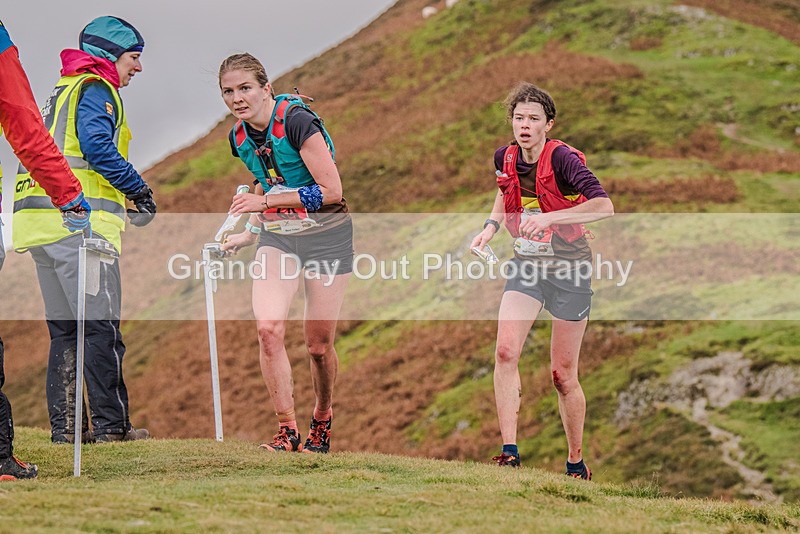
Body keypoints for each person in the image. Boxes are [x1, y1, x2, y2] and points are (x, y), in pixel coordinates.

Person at [12, 16, 156, 444]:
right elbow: (97, 147)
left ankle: (68, 431)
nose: (139, 68)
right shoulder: (97, 89)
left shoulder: (62, 91)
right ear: (112, 57)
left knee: (65, 331)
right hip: (81, 229)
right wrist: (139, 191)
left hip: (39, 227)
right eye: (135, 58)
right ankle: (113, 429)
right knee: (100, 327)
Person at [470, 82, 614, 479]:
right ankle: (510, 454)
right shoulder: (505, 157)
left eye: (534, 119)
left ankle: (575, 463)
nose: (525, 125)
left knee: (563, 376)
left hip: (570, 270)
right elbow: (504, 193)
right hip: (528, 266)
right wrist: (489, 229)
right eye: (518, 118)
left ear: (549, 124)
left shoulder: (565, 159)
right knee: (504, 351)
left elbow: (604, 206)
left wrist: (550, 218)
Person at [219, 53, 352, 454]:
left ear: (266, 88)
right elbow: (267, 182)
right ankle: (287, 429)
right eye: (228, 91)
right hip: (278, 238)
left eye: (245, 88)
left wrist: (264, 207)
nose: (237, 98)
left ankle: (322, 420)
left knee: (317, 346)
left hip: (328, 238)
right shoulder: (239, 138)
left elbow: (331, 192)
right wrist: (250, 232)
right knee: (268, 330)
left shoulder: (297, 122)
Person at [0, 18, 91, 480]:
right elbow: (26, 130)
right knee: (83, 329)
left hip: (30, 226)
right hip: (57, 224)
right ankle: (2, 456)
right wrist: (71, 197)